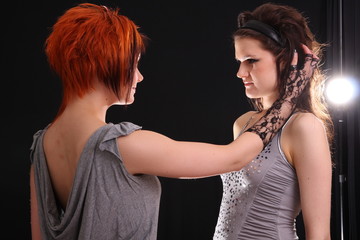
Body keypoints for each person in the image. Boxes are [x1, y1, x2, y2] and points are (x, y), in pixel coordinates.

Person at [29, 3, 318, 240]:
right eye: (134, 65)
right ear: (105, 64)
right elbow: (233, 158)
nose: (139, 77)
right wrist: (289, 98)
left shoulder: (41, 148)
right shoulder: (121, 146)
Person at [213, 2, 333, 240]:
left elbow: (319, 234)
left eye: (251, 60)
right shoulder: (244, 124)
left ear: (288, 59)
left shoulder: (304, 127)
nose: (240, 73)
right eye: (239, 62)